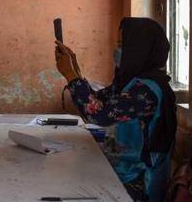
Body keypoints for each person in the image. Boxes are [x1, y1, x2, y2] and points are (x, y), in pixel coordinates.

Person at [55, 17, 177, 202]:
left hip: (139, 181)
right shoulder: (132, 82)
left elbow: (99, 114)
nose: (117, 51)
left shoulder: (148, 90)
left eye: (122, 45)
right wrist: (75, 69)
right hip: (124, 170)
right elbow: (100, 98)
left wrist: (70, 75)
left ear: (139, 48)